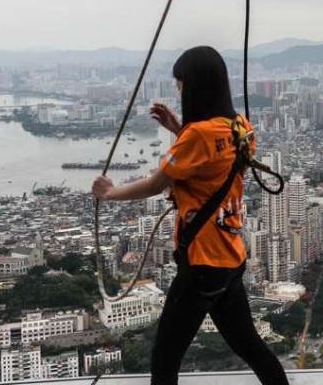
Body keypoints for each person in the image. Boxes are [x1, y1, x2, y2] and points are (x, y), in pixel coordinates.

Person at [93, 46, 288, 385]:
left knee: (165, 362)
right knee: (251, 347)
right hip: (230, 258)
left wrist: (109, 193)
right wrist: (177, 128)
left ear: (195, 86)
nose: (179, 91)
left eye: (181, 84)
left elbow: (157, 184)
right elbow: (213, 161)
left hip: (201, 263)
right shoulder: (241, 127)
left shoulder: (197, 135)